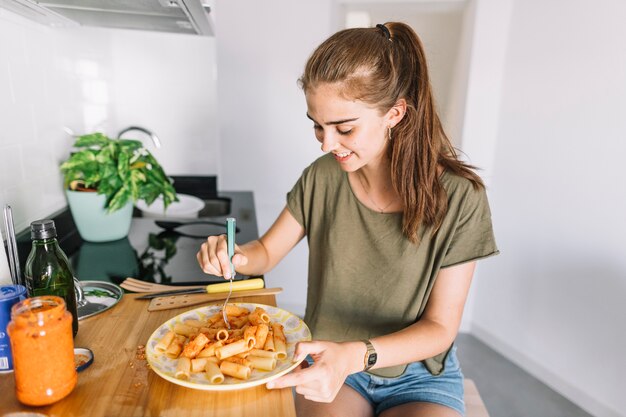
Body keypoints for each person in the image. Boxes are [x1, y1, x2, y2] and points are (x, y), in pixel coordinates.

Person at [197, 22, 498, 417]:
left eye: (344, 128)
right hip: (325, 356)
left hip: (419, 375)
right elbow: (265, 253)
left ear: (395, 113)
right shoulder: (322, 177)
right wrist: (233, 256)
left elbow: (440, 327)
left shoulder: (462, 197)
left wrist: (355, 355)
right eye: (317, 125)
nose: (326, 143)